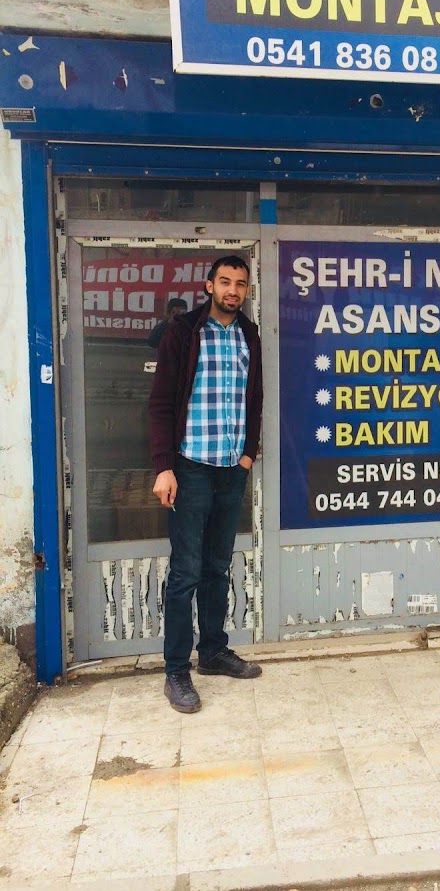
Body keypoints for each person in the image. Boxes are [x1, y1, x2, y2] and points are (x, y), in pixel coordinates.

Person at [148, 254, 263, 713]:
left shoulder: (248, 334)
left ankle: (213, 652)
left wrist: (248, 453)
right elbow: (160, 402)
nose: (233, 290)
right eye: (225, 281)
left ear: (247, 290)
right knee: (186, 572)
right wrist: (164, 466)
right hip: (190, 466)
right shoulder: (183, 331)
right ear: (209, 285)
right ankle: (176, 670)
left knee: (218, 566)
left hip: (230, 469)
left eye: (240, 283)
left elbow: (254, 398)